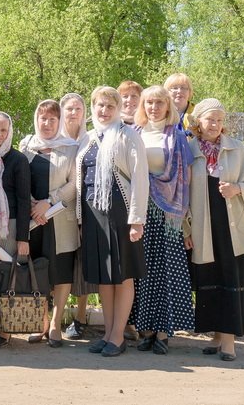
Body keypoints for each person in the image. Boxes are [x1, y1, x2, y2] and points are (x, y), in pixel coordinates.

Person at [188, 98, 244, 362]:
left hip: (233, 230)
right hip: (204, 229)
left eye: (220, 120)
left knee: (230, 277)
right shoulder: (189, 151)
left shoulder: (237, 149)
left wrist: (238, 190)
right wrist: (187, 229)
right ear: (198, 121)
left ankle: (229, 343)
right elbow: (181, 194)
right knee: (210, 278)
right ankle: (217, 336)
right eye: (211, 119)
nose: (216, 125)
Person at [76, 87, 149, 357]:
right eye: (99, 105)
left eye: (109, 106)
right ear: (93, 107)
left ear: (117, 109)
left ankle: (118, 336)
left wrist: (137, 220)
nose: (104, 110)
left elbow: (141, 178)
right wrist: (81, 219)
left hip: (121, 212)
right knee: (105, 278)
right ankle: (108, 333)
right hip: (94, 213)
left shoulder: (127, 135)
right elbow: (80, 178)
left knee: (123, 275)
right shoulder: (88, 138)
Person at [131, 85, 195, 355]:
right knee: (141, 273)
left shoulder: (177, 136)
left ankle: (164, 331)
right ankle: (144, 329)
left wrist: (183, 215)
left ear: (168, 106)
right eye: (149, 103)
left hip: (168, 213)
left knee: (166, 272)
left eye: (159, 103)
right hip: (139, 212)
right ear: (142, 107)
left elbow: (186, 177)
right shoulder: (134, 134)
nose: (154, 108)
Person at [17, 102, 78, 347]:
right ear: (36, 119)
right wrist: (34, 205)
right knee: (38, 271)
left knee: (61, 271)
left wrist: (48, 202)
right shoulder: (26, 146)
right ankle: (41, 322)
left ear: (59, 121)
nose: (47, 123)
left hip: (60, 218)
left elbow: (75, 184)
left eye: (53, 119)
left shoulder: (71, 147)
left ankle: (55, 324)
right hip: (34, 220)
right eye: (43, 118)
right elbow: (19, 178)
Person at [0, 112, 31, 347]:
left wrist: (23, 237)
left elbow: (23, 200)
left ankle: (6, 329)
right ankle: (0, 324)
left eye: (3, 130)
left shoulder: (18, 160)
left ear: (10, 131)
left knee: (8, 275)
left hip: (9, 226)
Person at [59, 92, 98, 340]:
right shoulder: (55, 139)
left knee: (83, 264)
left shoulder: (91, 140)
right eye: (69, 109)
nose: (74, 113)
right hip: (57, 211)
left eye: (78, 109)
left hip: (84, 210)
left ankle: (81, 316)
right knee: (61, 266)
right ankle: (54, 318)